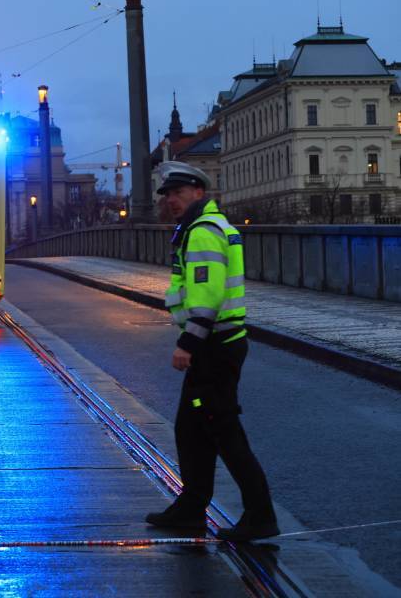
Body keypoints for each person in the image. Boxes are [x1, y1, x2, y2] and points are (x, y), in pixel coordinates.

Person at [145, 161, 278, 542]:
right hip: (218, 342)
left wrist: (188, 342)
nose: (171, 200)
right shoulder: (200, 227)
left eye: (178, 193)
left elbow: (208, 293)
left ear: (198, 193)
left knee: (222, 429)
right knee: (192, 428)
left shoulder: (203, 232)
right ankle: (192, 506)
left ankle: (260, 514)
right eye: (167, 194)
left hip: (214, 344)